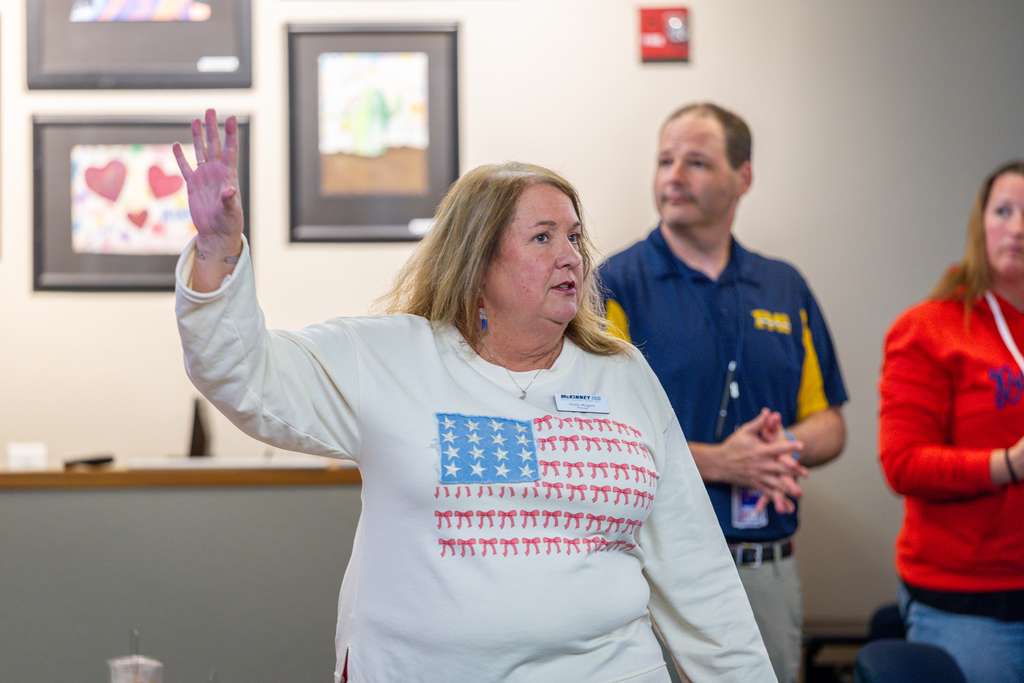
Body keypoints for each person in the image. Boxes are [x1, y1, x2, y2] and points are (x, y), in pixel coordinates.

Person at [173, 109, 776, 683]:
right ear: (478, 260)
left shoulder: (621, 374)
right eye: (543, 237)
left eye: (574, 236)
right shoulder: (390, 358)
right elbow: (242, 374)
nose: (571, 256)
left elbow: (697, 574)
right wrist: (218, 250)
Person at [599, 102, 848, 683]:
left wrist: (773, 448)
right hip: (650, 570)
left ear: (744, 177)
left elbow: (829, 425)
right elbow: (597, 439)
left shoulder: (784, 287)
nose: (673, 176)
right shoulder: (615, 284)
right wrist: (719, 462)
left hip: (764, 569)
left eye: (696, 162)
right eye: (664, 160)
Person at [878, 161, 1024, 683]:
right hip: (974, 603)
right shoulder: (930, 329)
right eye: (1004, 211)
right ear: (980, 226)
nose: (1019, 226)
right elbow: (903, 465)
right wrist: (1009, 463)